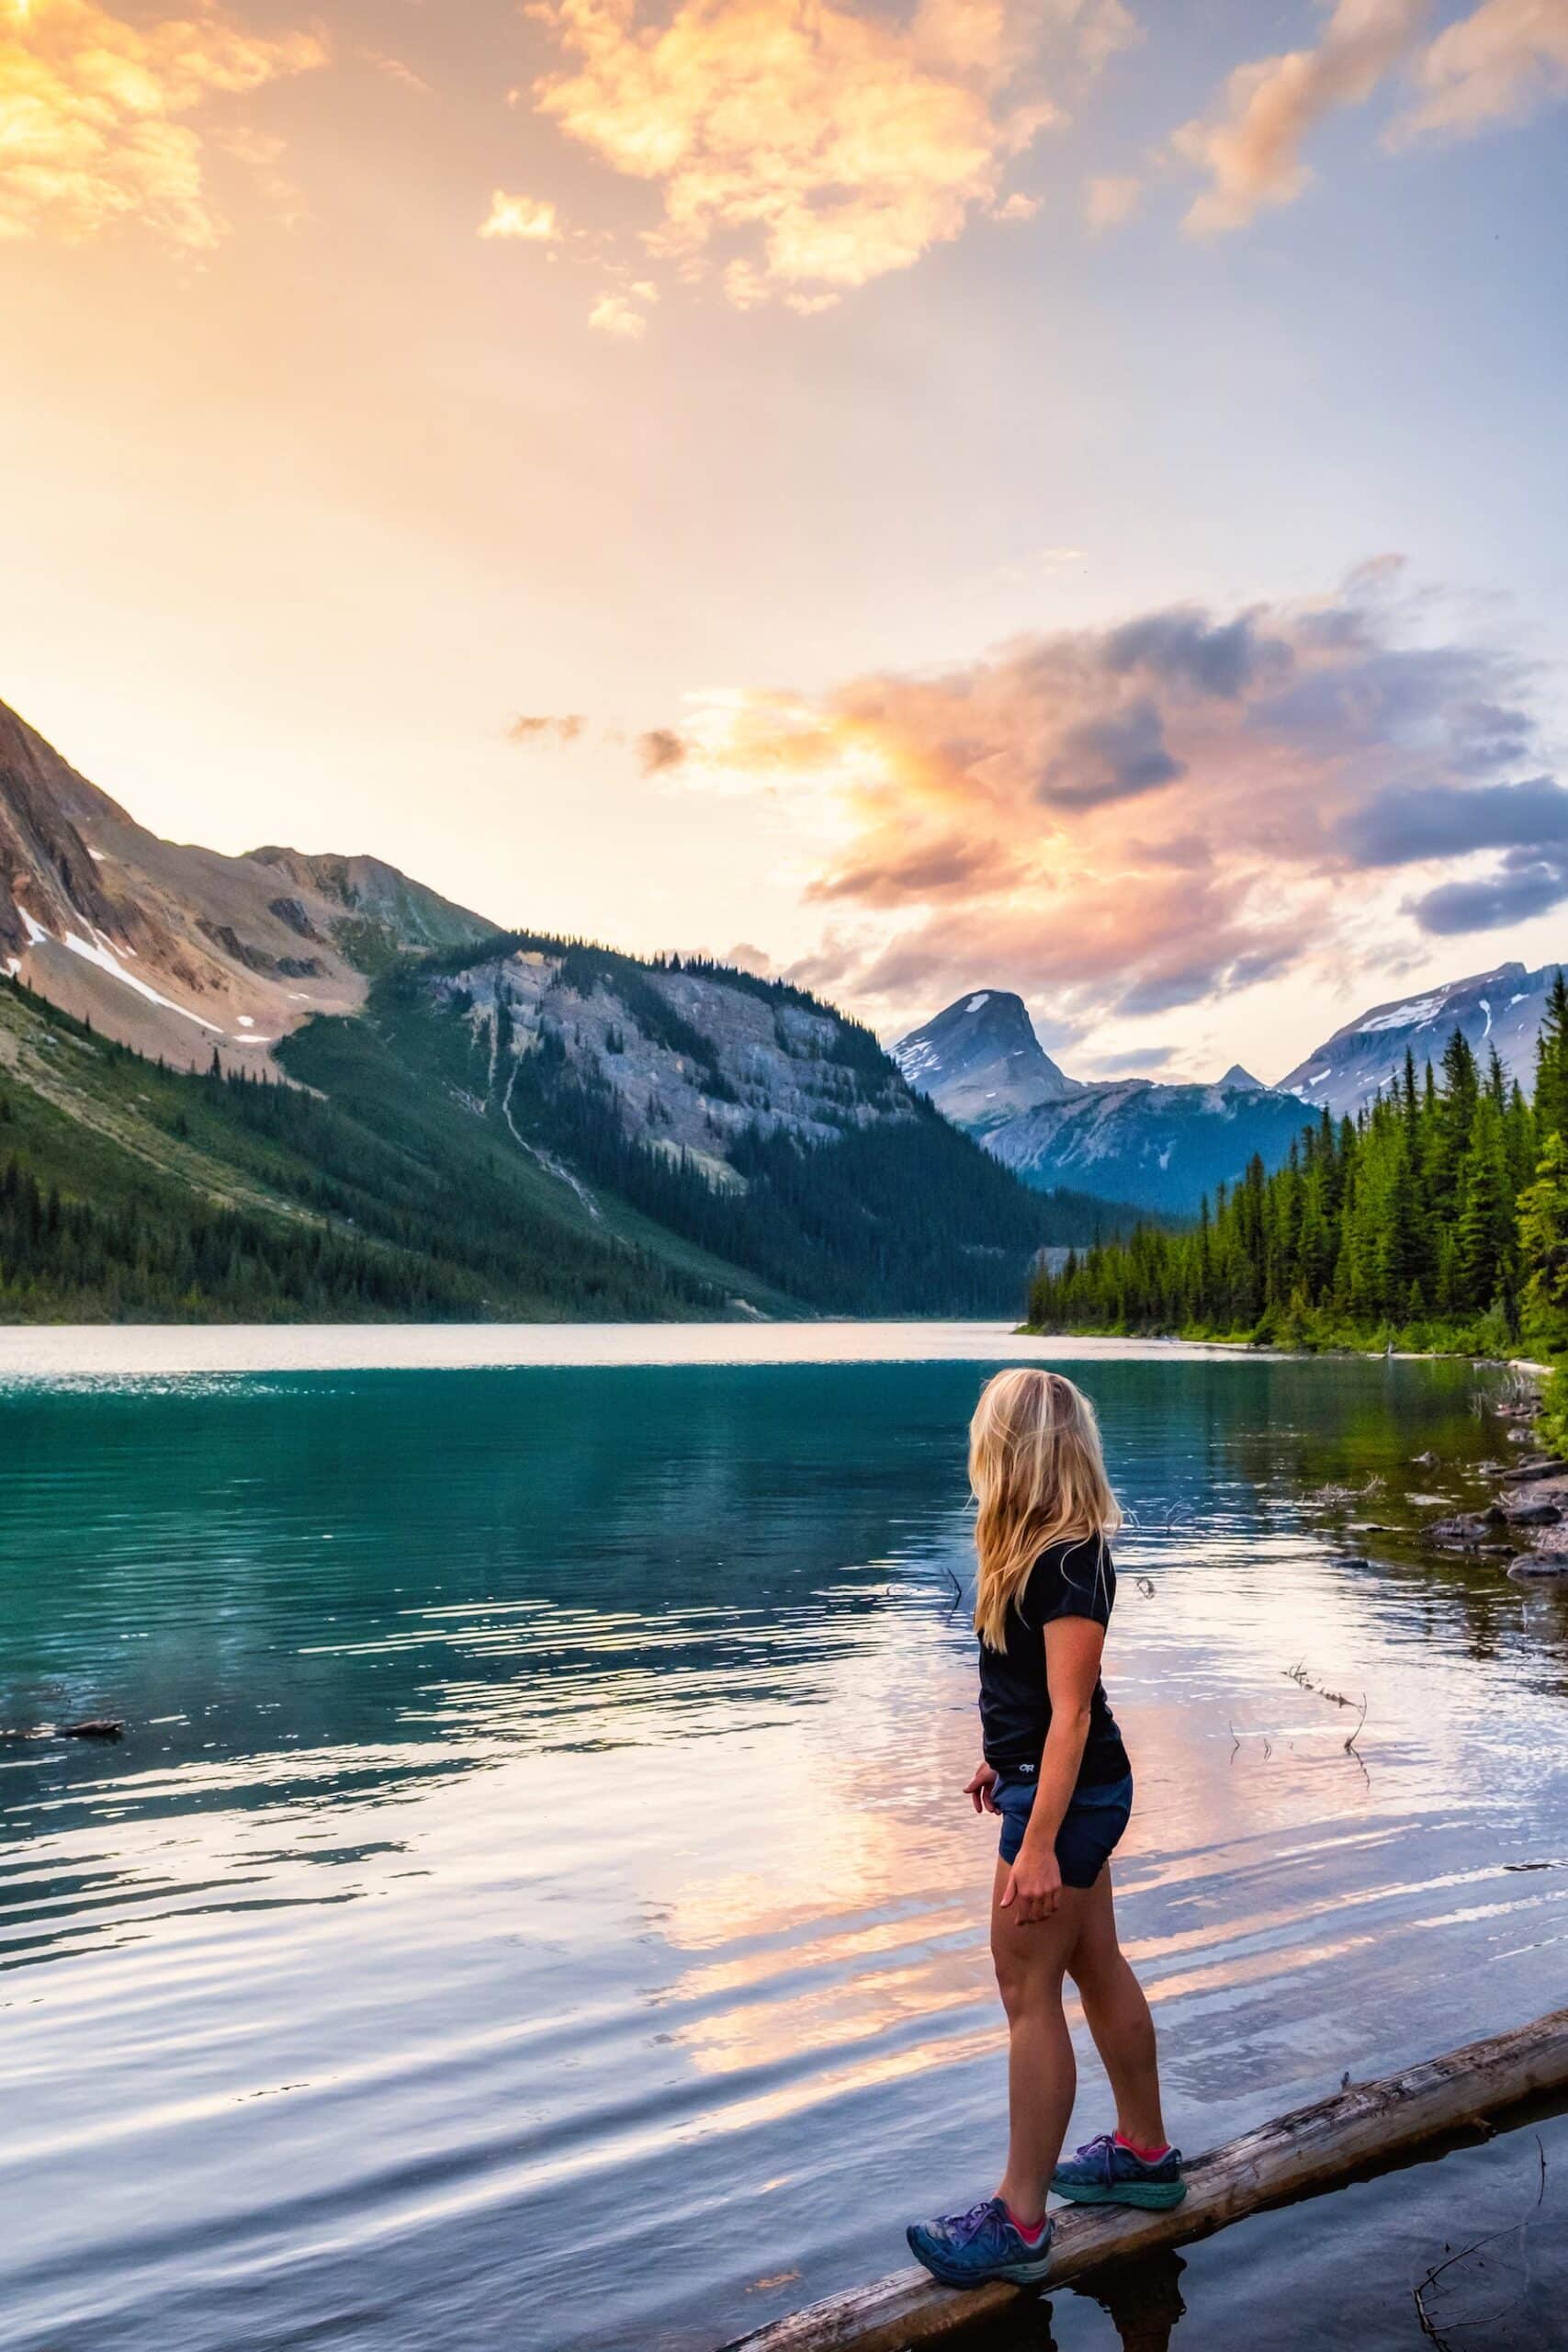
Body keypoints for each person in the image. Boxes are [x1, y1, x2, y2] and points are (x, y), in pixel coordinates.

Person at [907, 1367, 1183, 2288]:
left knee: (1027, 1992)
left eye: (986, 1434)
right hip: (1062, 1786)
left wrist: (1035, 1845)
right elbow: (1039, 1703)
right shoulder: (1041, 1550)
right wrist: (1002, 1755)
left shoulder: (1067, 1558)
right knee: (1094, 1960)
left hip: (1065, 1801)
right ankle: (1143, 2153)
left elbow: (1071, 1714)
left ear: (1016, 1449)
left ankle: (1020, 2221)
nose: (975, 1449)